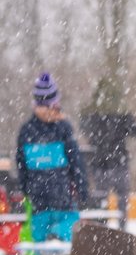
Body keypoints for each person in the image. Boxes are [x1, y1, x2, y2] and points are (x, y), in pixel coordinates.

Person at [16, 72, 89, 244]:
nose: (54, 111)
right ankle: (52, 246)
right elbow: (21, 164)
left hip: (61, 198)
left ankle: (55, 240)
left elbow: (75, 162)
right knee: (43, 237)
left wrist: (82, 188)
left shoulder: (62, 128)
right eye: (51, 107)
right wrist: (25, 189)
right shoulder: (28, 131)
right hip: (41, 199)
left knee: (66, 230)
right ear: (39, 106)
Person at [79, 74, 136, 231]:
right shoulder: (121, 113)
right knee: (122, 202)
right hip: (119, 162)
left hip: (100, 164)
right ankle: (122, 230)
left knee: (102, 202)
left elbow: (84, 128)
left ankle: (102, 232)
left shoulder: (92, 114)